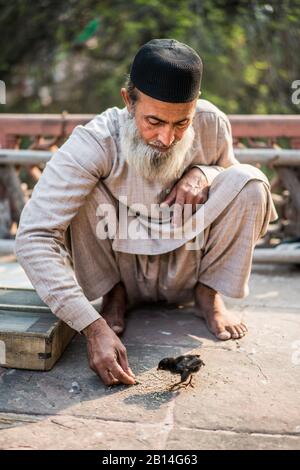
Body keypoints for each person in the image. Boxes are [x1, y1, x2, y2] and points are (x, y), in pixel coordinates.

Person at [16, 39, 277, 386]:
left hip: (188, 262)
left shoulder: (212, 123)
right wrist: (90, 327)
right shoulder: (95, 140)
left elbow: (234, 184)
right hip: (119, 261)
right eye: (154, 121)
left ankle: (208, 292)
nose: (167, 138)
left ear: (195, 107)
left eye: (181, 123)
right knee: (80, 192)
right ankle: (115, 294)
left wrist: (203, 173)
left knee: (252, 183)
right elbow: (33, 236)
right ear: (128, 101)